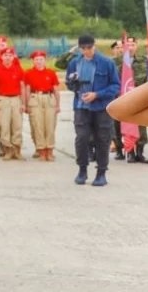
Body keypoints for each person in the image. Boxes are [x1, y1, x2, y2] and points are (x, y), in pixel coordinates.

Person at [66, 34, 120, 186]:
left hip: (101, 108)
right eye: (83, 48)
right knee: (81, 138)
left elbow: (115, 86)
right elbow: (69, 83)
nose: (86, 51)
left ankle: (101, 172)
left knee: (103, 139)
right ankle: (82, 170)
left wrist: (97, 94)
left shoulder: (106, 63)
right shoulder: (75, 62)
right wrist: (73, 83)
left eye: (89, 48)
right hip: (81, 107)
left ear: (94, 46)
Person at [0, 47, 26, 160]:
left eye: (10, 55)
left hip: (16, 99)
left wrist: (23, 103)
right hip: (2, 99)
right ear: (1, 57)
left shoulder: (18, 69)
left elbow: (22, 87)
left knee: (17, 125)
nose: (8, 58)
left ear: (13, 57)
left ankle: (17, 150)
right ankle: (7, 150)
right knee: (4, 126)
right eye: (5, 55)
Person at [24, 50, 60, 161]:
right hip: (35, 98)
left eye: (41, 59)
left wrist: (58, 105)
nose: (39, 62)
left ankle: (50, 149)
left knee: (50, 125)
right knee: (37, 125)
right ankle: (41, 150)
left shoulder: (51, 73)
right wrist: (26, 104)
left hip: (49, 98)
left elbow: (56, 90)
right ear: (33, 61)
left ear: (45, 61)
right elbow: (27, 90)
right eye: (36, 60)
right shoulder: (29, 73)